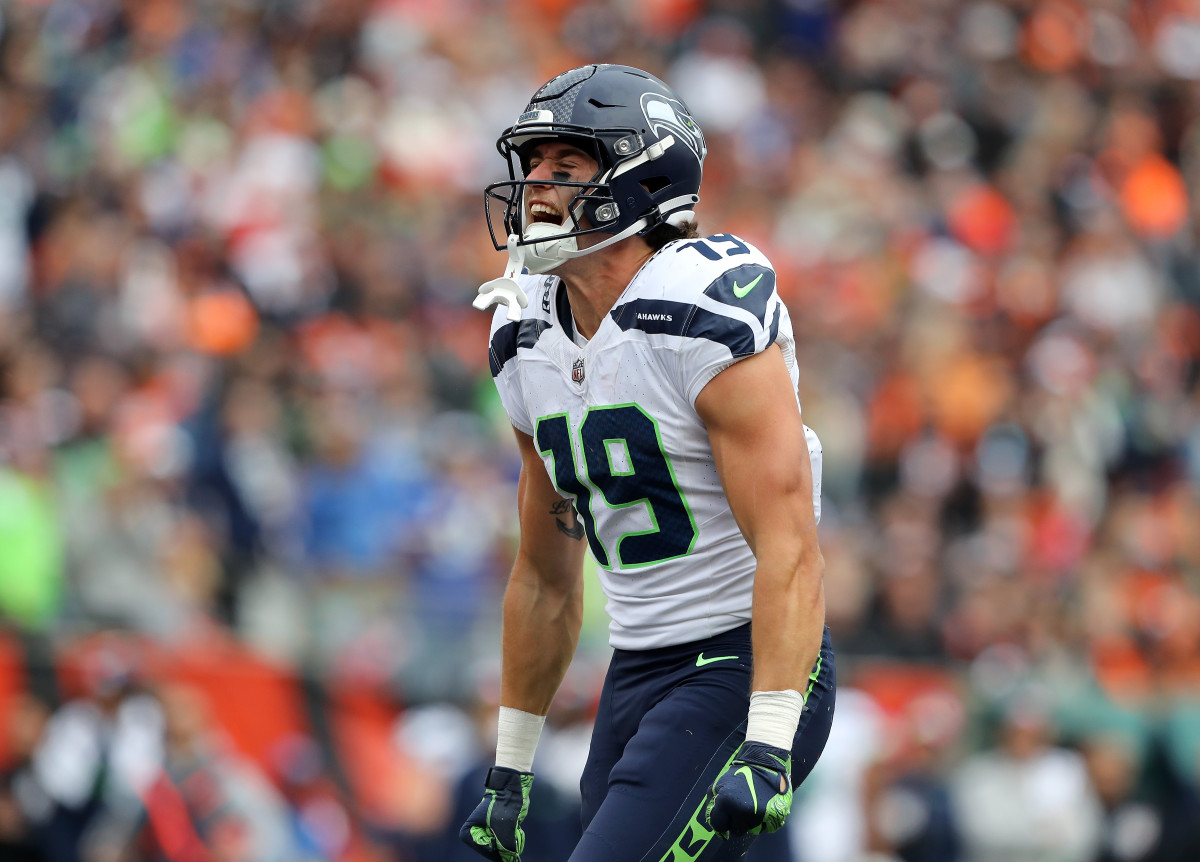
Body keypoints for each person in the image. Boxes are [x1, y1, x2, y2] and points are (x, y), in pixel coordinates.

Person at [461, 63, 836, 862]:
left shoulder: (698, 310)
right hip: (635, 673)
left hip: (745, 659)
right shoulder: (524, 336)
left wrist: (770, 736)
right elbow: (543, 575)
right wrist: (510, 763)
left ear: (643, 177)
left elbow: (790, 541)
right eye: (531, 168)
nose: (535, 188)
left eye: (565, 169)